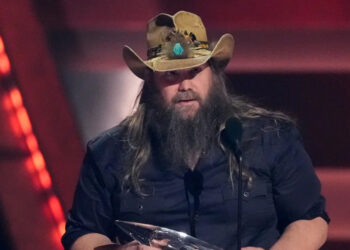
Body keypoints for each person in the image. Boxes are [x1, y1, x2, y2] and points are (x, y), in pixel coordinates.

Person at [62, 11, 329, 250]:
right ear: (151, 82)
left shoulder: (271, 137)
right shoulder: (109, 152)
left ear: (213, 74)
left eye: (194, 71)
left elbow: (311, 220)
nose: (184, 85)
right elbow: (82, 232)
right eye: (171, 75)